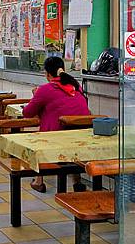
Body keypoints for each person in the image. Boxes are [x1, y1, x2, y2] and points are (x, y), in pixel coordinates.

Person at [22, 56, 91, 193]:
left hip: (57, 137)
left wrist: (35, 95)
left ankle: (38, 181)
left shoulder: (45, 89)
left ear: (47, 74)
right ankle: (77, 182)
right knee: (64, 129)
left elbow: (27, 113)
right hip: (81, 135)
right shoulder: (75, 85)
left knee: (41, 137)